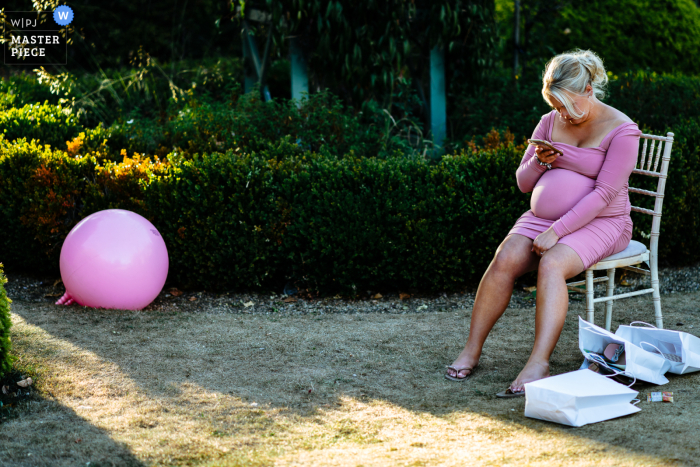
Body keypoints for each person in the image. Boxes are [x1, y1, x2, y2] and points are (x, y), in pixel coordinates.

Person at [445, 49, 642, 397]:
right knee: (505, 258)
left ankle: (539, 362)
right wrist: (539, 161)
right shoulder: (550, 120)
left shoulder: (622, 131)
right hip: (541, 218)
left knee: (551, 264)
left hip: (604, 221)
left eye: (567, 105)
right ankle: (471, 350)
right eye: (555, 104)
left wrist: (557, 231)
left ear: (588, 91)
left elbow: (604, 195)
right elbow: (523, 183)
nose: (561, 114)